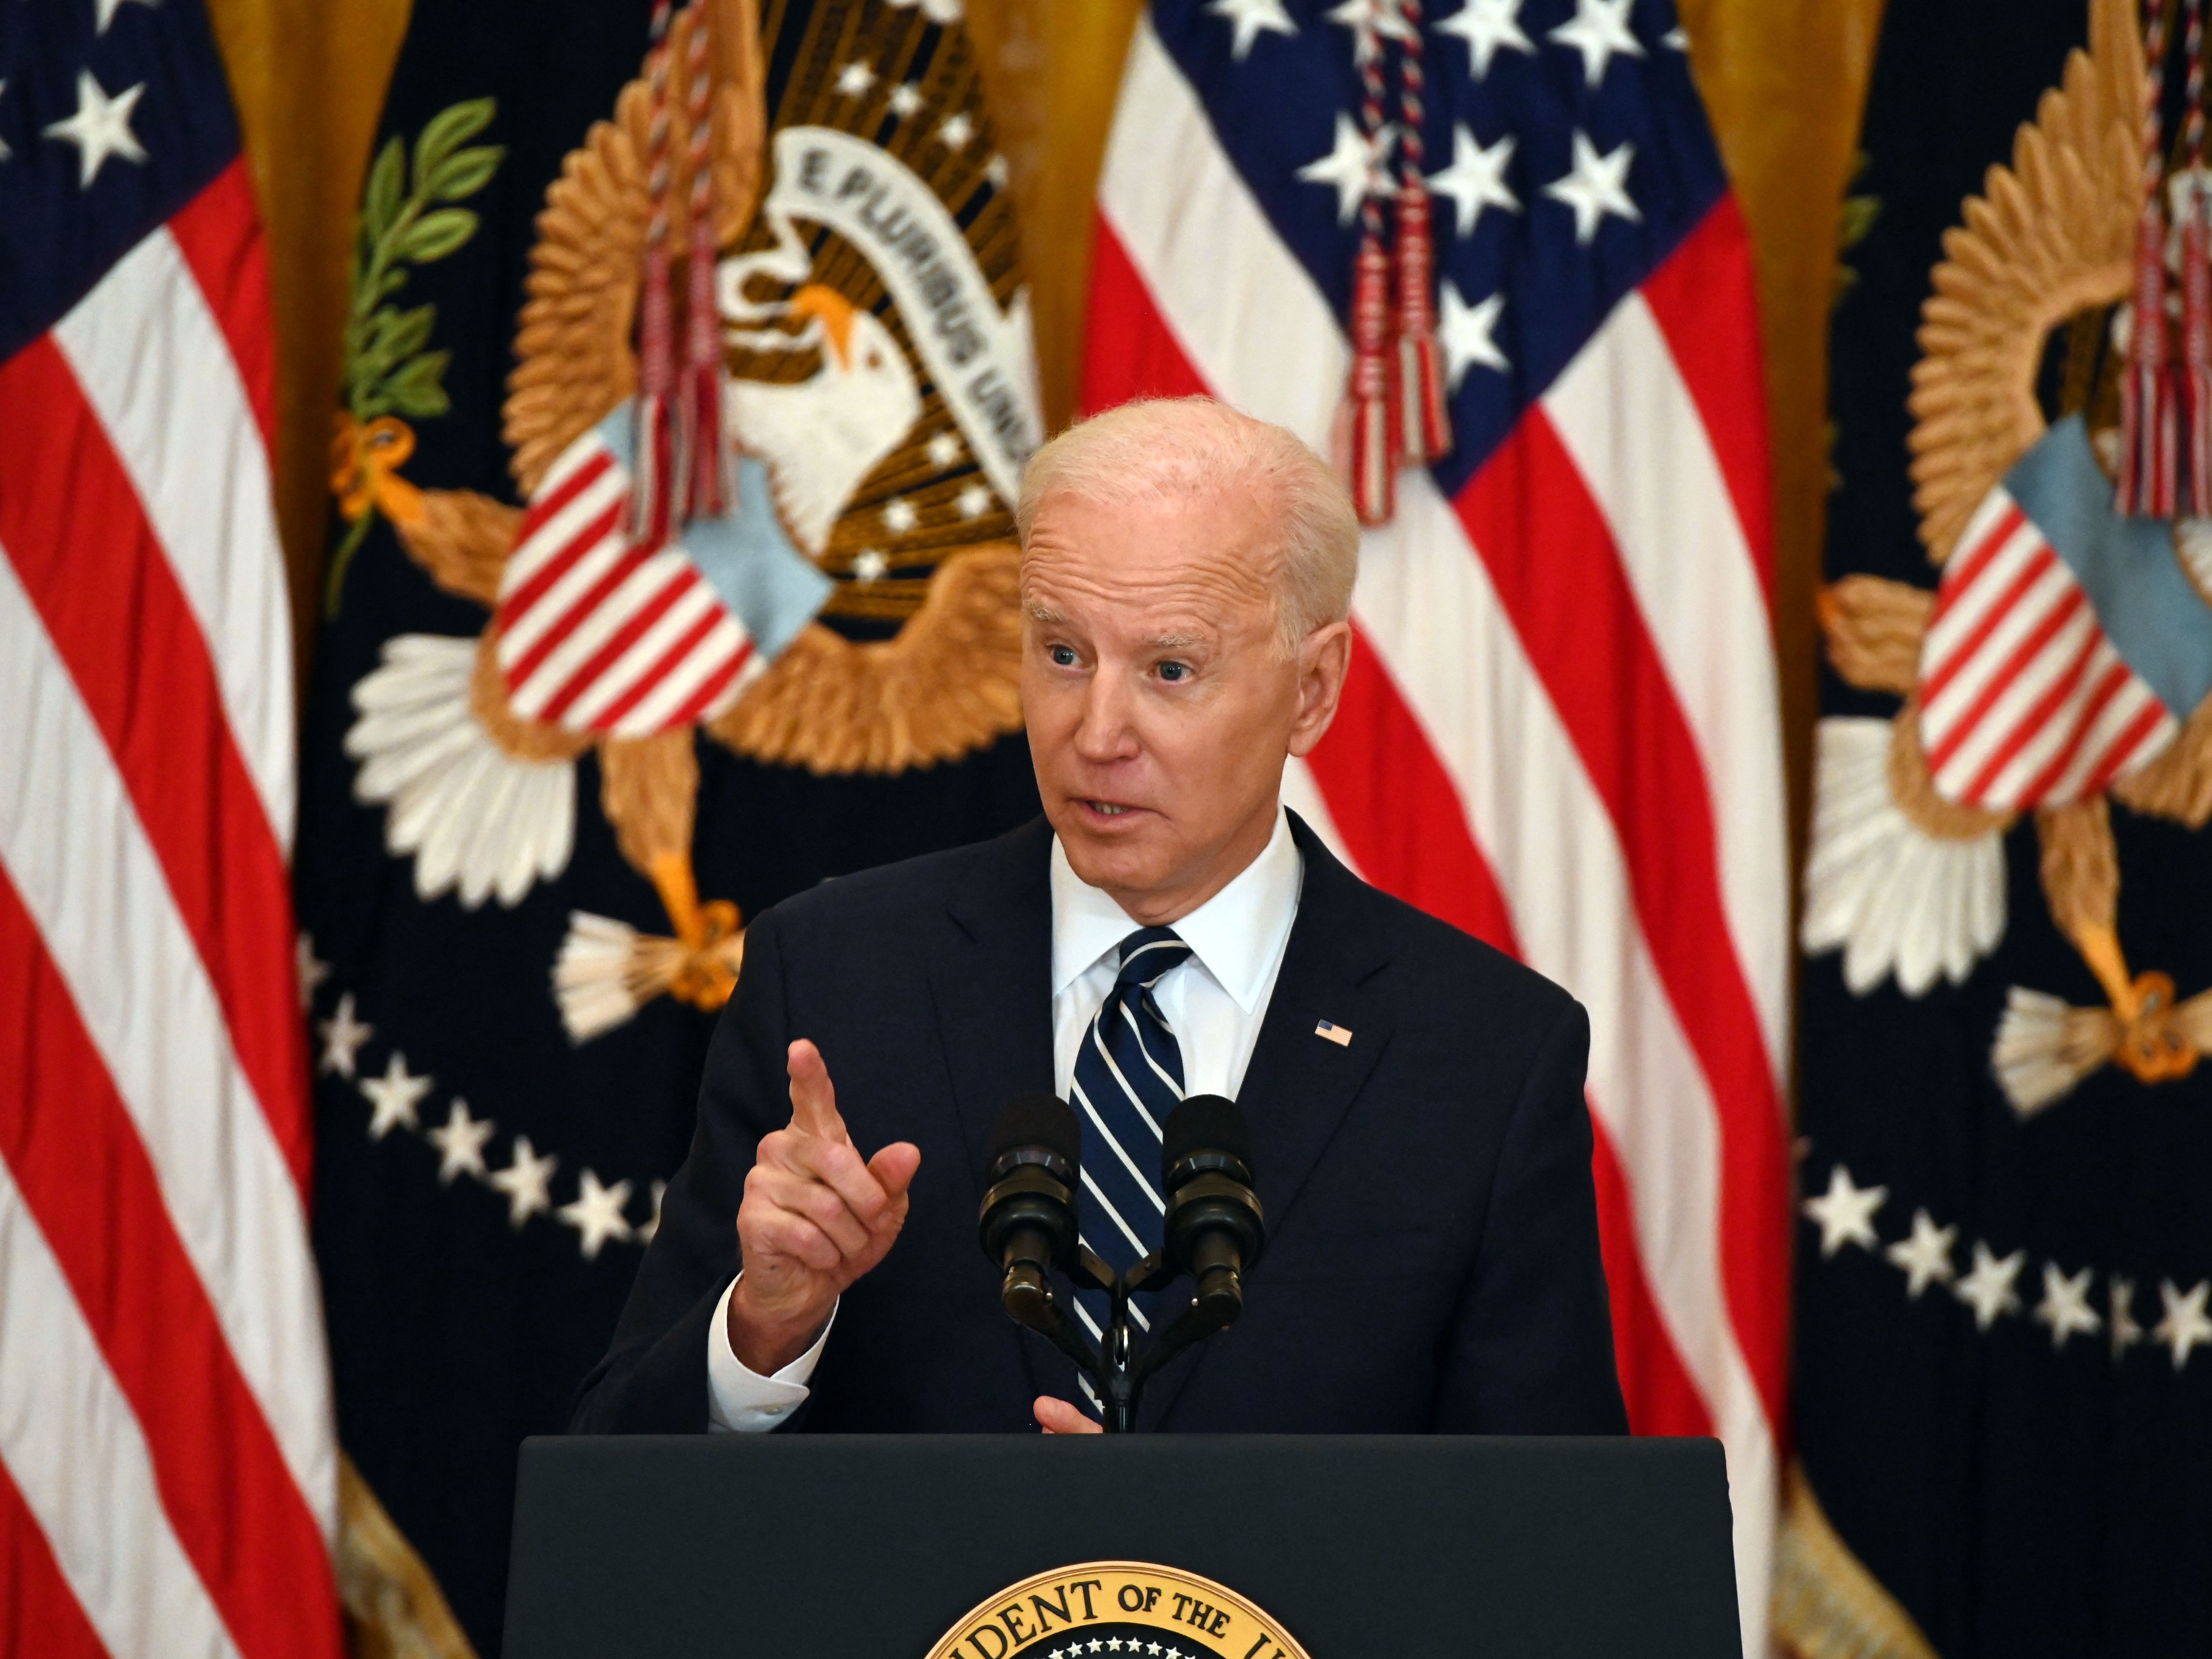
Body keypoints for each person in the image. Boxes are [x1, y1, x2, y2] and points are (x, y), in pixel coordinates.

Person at [570, 397, 1626, 1436]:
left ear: (1312, 689)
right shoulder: (835, 979)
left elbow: (1550, 1531)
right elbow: (613, 1486)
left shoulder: (1484, 1056)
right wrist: (765, 1328)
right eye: (1064, 654)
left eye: (1170, 669)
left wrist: (1201, 1532)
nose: (1097, 732)